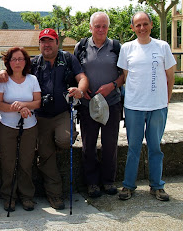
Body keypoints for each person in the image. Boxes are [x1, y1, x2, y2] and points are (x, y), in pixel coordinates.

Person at [0, 28, 88, 210]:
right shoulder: (34, 63)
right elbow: (15, 68)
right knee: (46, 156)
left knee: (64, 140)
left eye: (50, 41)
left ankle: (51, 144)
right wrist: (1, 72)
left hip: (62, 113)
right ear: (39, 45)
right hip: (41, 117)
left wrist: (80, 90)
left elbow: (82, 77)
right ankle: (54, 195)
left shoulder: (68, 58)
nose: (46, 45)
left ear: (57, 43)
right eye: (43, 42)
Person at [117, 12, 176, 201]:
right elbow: (126, 76)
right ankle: (128, 186)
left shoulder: (162, 46)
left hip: (157, 106)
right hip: (134, 106)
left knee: (155, 147)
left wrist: (165, 100)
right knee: (133, 147)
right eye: (138, 25)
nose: (142, 28)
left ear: (151, 25)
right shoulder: (127, 48)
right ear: (133, 28)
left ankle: (157, 186)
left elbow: (170, 76)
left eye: (145, 24)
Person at [74, 12, 124, 198]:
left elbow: (124, 74)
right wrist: (82, 89)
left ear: (108, 28)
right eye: (97, 26)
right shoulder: (81, 47)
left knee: (110, 145)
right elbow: (76, 71)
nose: (101, 29)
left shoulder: (116, 47)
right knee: (88, 145)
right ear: (90, 27)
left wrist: (112, 86)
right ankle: (92, 183)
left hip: (111, 103)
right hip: (88, 105)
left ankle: (108, 181)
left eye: (104, 26)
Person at [0, 47, 41, 212]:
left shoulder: (32, 79)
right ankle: (9, 197)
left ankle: (27, 196)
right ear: (8, 62)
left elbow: (37, 102)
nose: (17, 62)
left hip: (29, 127)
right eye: (14, 59)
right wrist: (18, 109)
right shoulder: (2, 81)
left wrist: (23, 106)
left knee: (26, 163)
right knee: (8, 163)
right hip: (6, 127)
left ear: (26, 61)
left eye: (21, 59)